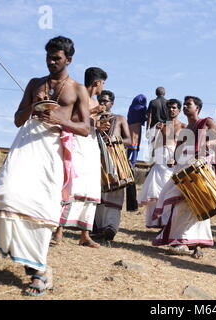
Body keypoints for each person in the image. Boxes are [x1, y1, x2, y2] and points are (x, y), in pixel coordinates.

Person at [0, 36, 91, 296]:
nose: (51, 61)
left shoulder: (78, 89)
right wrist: (33, 107)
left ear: (68, 59)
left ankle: (39, 271)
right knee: (7, 194)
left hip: (53, 148)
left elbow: (86, 128)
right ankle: (29, 261)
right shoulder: (35, 83)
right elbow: (17, 119)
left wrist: (61, 119)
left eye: (56, 58)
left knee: (41, 206)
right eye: (48, 57)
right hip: (26, 143)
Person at [152, 96, 216, 258]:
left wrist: (208, 144)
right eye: (184, 104)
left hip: (199, 168)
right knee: (180, 204)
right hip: (183, 168)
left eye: (189, 104)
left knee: (200, 203)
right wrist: (174, 157)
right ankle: (184, 241)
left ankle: (194, 243)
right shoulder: (187, 127)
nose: (185, 107)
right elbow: (179, 145)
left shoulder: (206, 122)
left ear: (197, 108)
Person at [51, 67, 108, 248]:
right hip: (77, 144)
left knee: (91, 187)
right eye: (103, 83)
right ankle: (58, 231)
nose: (102, 87)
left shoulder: (92, 100)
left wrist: (99, 125)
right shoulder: (80, 97)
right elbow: (71, 117)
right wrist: (94, 111)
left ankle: (85, 234)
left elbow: (89, 124)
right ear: (97, 83)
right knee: (72, 185)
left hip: (91, 144)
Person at [139, 98, 186, 228]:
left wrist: (177, 158)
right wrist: (156, 130)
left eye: (174, 108)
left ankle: (169, 223)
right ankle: (157, 222)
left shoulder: (184, 127)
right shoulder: (161, 126)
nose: (171, 110)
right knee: (157, 190)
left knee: (170, 190)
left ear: (179, 110)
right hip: (161, 160)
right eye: (169, 108)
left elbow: (186, 147)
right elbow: (150, 141)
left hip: (175, 161)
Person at [91, 90, 131, 241]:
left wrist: (114, 141)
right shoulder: (93, 120)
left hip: (116, 162)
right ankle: (97, 228)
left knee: (114, 193)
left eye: (105, 101)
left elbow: (129, 140)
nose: (102, 104)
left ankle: (110, 228)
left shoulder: (120, 119)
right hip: (97, 161)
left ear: (112, 103)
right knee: (99, 195)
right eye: (100, 100)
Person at [127, 94, 148, 167]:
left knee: (129, 145)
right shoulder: (143, 108)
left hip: (129, 126)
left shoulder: (131, 107)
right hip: (137, 127)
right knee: (136, 146)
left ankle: (125, 159)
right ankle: (133, 163)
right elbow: (145, 117)